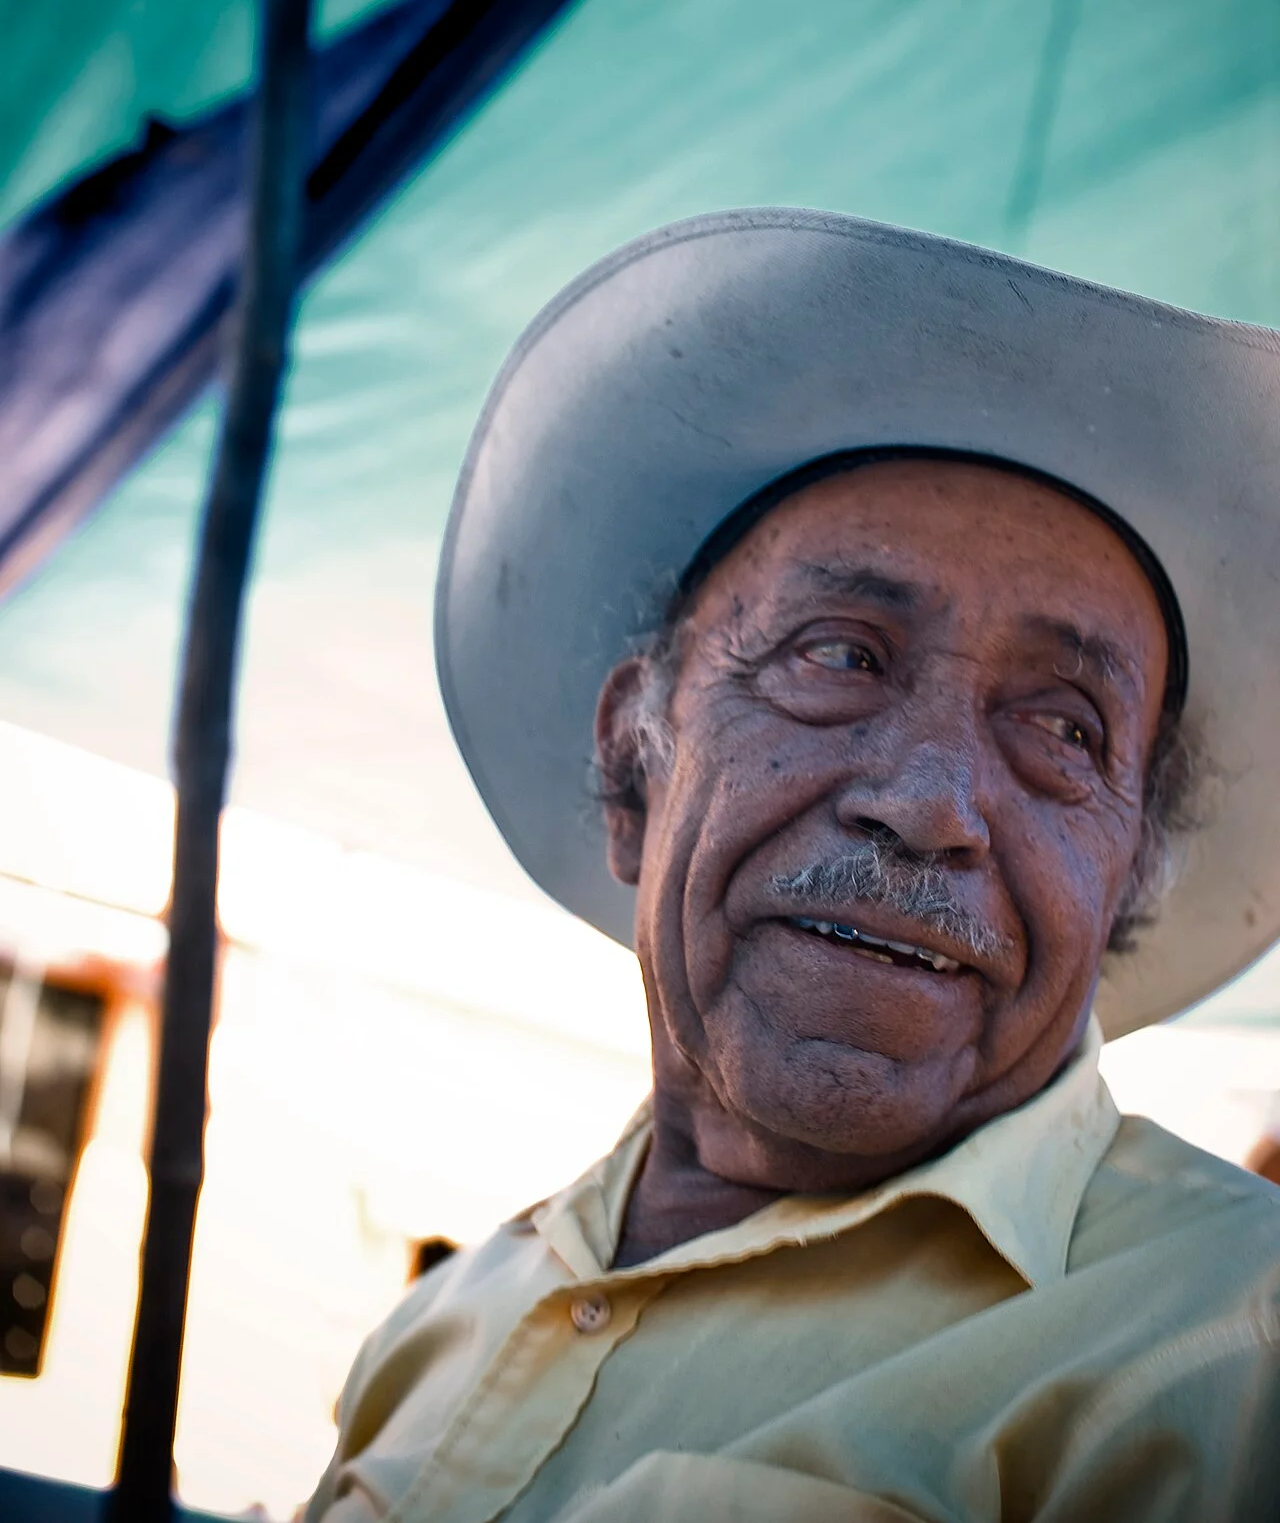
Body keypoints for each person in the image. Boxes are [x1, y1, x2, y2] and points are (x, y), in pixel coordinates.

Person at [307, 211, 1280, 1523]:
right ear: (637, 758)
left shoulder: (1235, 1356)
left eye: (1063, 728)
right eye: (839, 654)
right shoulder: (441, 1324)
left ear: (1130, 882)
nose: (930, 806)